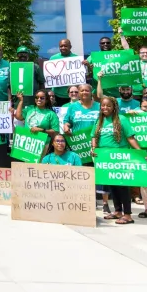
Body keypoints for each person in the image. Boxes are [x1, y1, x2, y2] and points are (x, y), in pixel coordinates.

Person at [92, 96, 145, 225]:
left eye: (108, 106)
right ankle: (117, 211)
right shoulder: (99, 120)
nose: (105, 108)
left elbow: (130, 138)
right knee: (112, 185)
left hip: (120, 157)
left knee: (122, 186)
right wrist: (93, 148)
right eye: (103, 106)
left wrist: (140, 153)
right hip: (105, 158)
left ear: (114, 107)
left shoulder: (122, 119)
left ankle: (128, 215)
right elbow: (94, 136)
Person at [62, 83, 111, 214]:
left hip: (99, 144)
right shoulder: (73, 107)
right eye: (81, 90)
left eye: (87, 90)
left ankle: (105, 203)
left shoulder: (99, 106)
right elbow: (67, 121)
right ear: (78, 93)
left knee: (101, 174)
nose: (84, 93)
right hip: (80, 146)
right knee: (84, 174)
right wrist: (66, 126)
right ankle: (88, 199)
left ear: (91, 92)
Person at [49, 39, 80, 105]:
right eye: (61, 46)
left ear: (70, 47)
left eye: (65, 46)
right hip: (57, 94)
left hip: (73, 95)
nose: (63, 48)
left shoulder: (77, 58)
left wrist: (86, 65)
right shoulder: (53, 58)